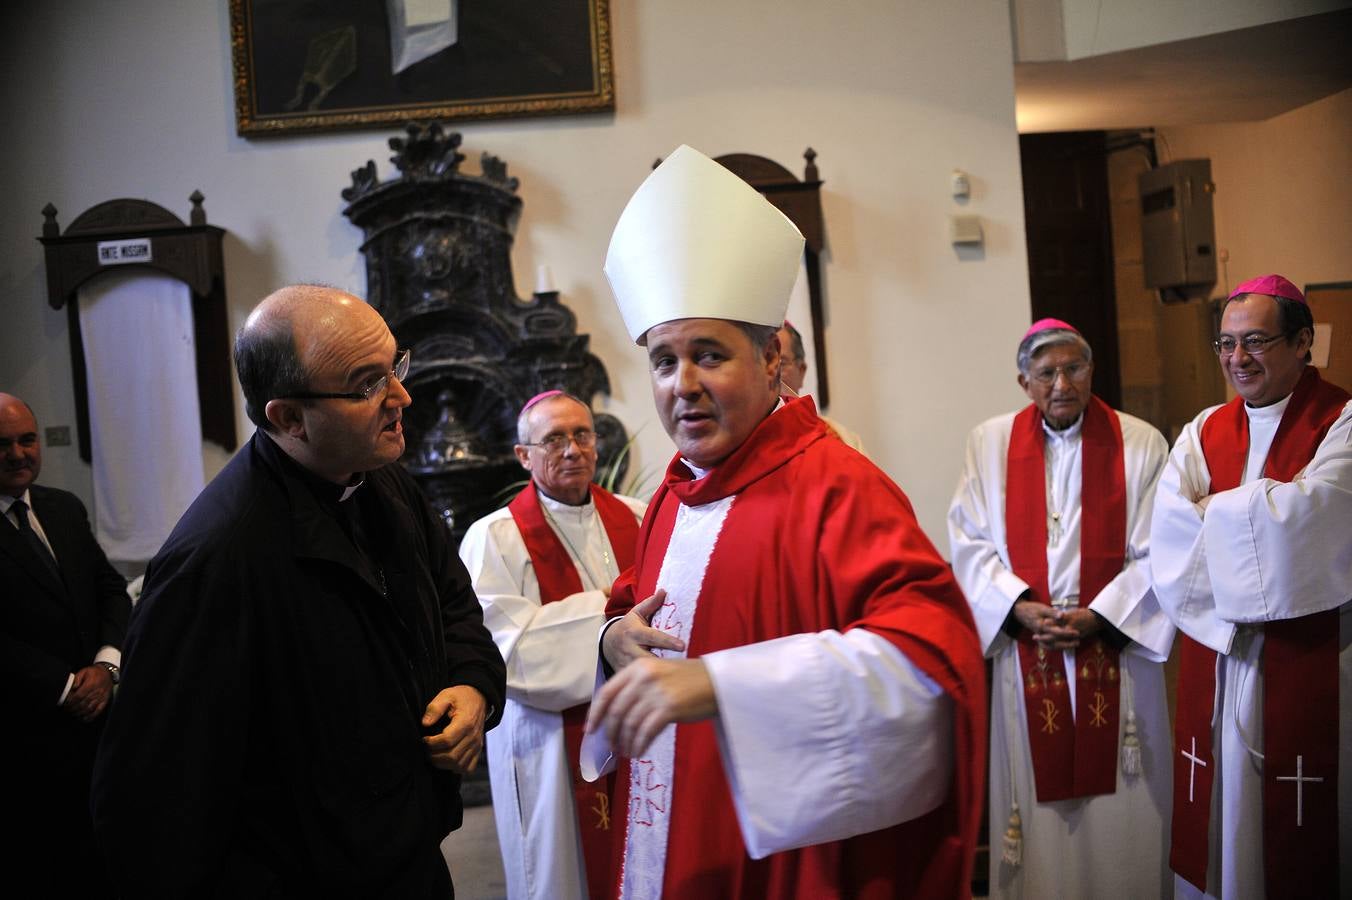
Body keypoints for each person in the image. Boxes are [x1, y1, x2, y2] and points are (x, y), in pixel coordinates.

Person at [580, 144, 986, 899]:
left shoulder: (837, 486)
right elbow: (634, 603)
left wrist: (728, 688)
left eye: (709, 354)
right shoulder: (675, 492)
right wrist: (612, 639)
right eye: (664, 362)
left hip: (782, 857)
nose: (685, 386)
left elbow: (933, 649)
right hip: (670, 831)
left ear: (772, 358)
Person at [90, 285, 506, 897]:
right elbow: (155, 800)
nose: (402, 397)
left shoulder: (383, 478)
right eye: (369, 384)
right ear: (287, 417)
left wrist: (473, 686)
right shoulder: (216, 560)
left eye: (396, 366)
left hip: (406, 855)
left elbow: (452, 605)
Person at [947, 320, 1174, 898]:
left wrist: (1102, 615)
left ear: (1091, 371)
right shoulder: (989, 443)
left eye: (1074, 368)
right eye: (1046, 373)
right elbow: (969, 541)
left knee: (1122, 811)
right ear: (1024, 382)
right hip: (1030, 646)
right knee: (1040, 814)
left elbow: (1162, 549)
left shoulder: (1141, 441)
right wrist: (1018, 606)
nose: (1062, 383)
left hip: (1114, 651)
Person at [1151, 274, 1350, 900]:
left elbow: (1317, 521)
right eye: (1226, 344)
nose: (1238, 359)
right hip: (1222, 655)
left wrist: (1217, 509)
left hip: (1310, 657)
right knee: (1221, 823)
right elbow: (1169, 524)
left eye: (1256, 342)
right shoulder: (1204, 427)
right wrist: (1257, 509)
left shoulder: (1342, 422)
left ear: (1302, 343)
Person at [459, 390, 646, 900]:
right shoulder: (493, 538)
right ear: (524, 455)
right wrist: (610, 607)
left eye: (582, 435)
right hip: (546, 743)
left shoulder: (640, 516)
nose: (572, 449)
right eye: (554, 438)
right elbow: (509, 652)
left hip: (637, 723)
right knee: (563, 874)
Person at [0, 393, 129, 892]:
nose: (18, 454)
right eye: (3, 444)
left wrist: (107, 666)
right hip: (25, 741)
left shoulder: (63, 507)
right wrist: (65, 685)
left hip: (98, 729)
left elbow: (110, 589)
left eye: (27, 440)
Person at [775, 320, 866, 453]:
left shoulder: (844, 439)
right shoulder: (738, 440)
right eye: (761, 363)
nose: (769, 374)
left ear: (801, 370)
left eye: (780, 363)